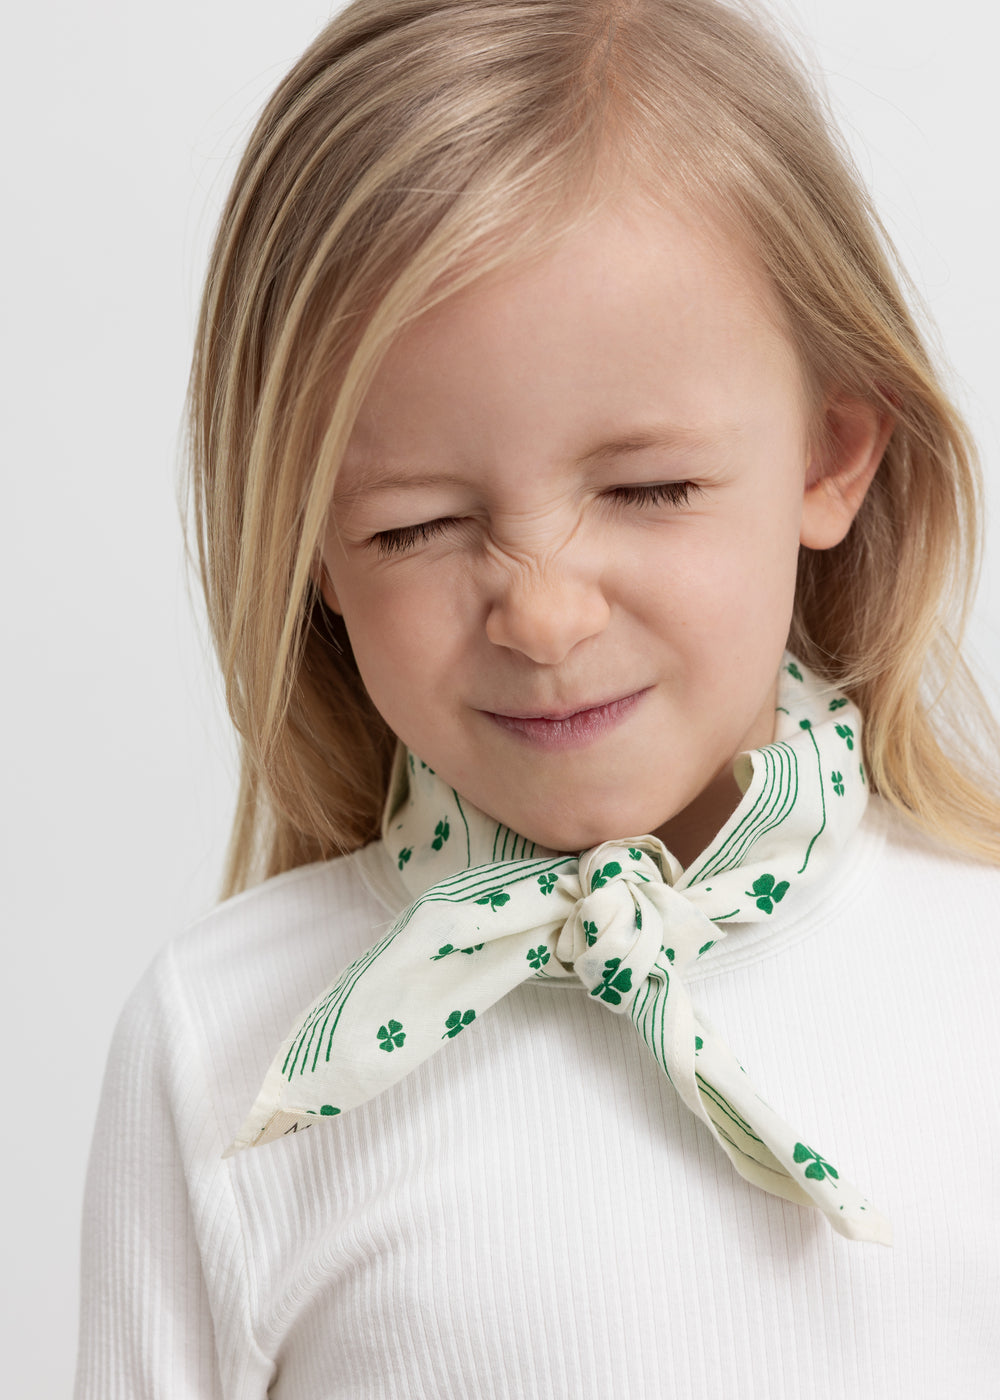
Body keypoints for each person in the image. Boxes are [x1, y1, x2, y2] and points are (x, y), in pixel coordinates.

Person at [75, 0, 1000, 1394]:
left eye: (648, 490)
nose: (546, 614)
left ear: (832, 458)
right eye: (416, 526)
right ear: (309, 542)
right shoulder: (226, 1046)